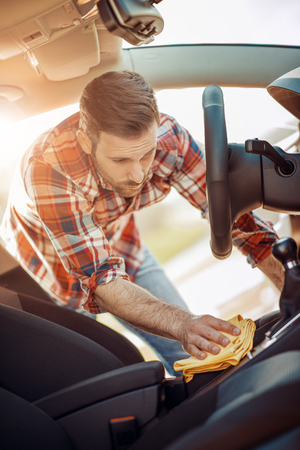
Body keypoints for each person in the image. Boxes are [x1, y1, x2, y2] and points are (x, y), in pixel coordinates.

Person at [0, 70, 284, 376]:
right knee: (89, 370)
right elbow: (102, 280)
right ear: (86, 141)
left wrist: (289, 283)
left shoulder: (168, 138)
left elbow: (238, 221)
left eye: (146, 155)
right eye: (121, 160)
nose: (138, 175)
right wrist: (182, 323)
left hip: (121, 243)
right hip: (50, 271)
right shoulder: (48, 171)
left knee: (195, 352)